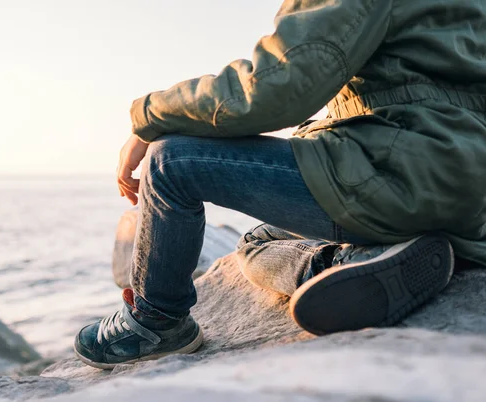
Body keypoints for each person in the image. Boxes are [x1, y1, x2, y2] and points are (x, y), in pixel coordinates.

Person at [74, 0, 486, 369]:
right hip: (468, 191)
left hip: (397, 174)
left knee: (171, 160)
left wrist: (148, 117)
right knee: (256, 243)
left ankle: (156, 323)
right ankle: (366, 255)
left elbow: (277, 87)